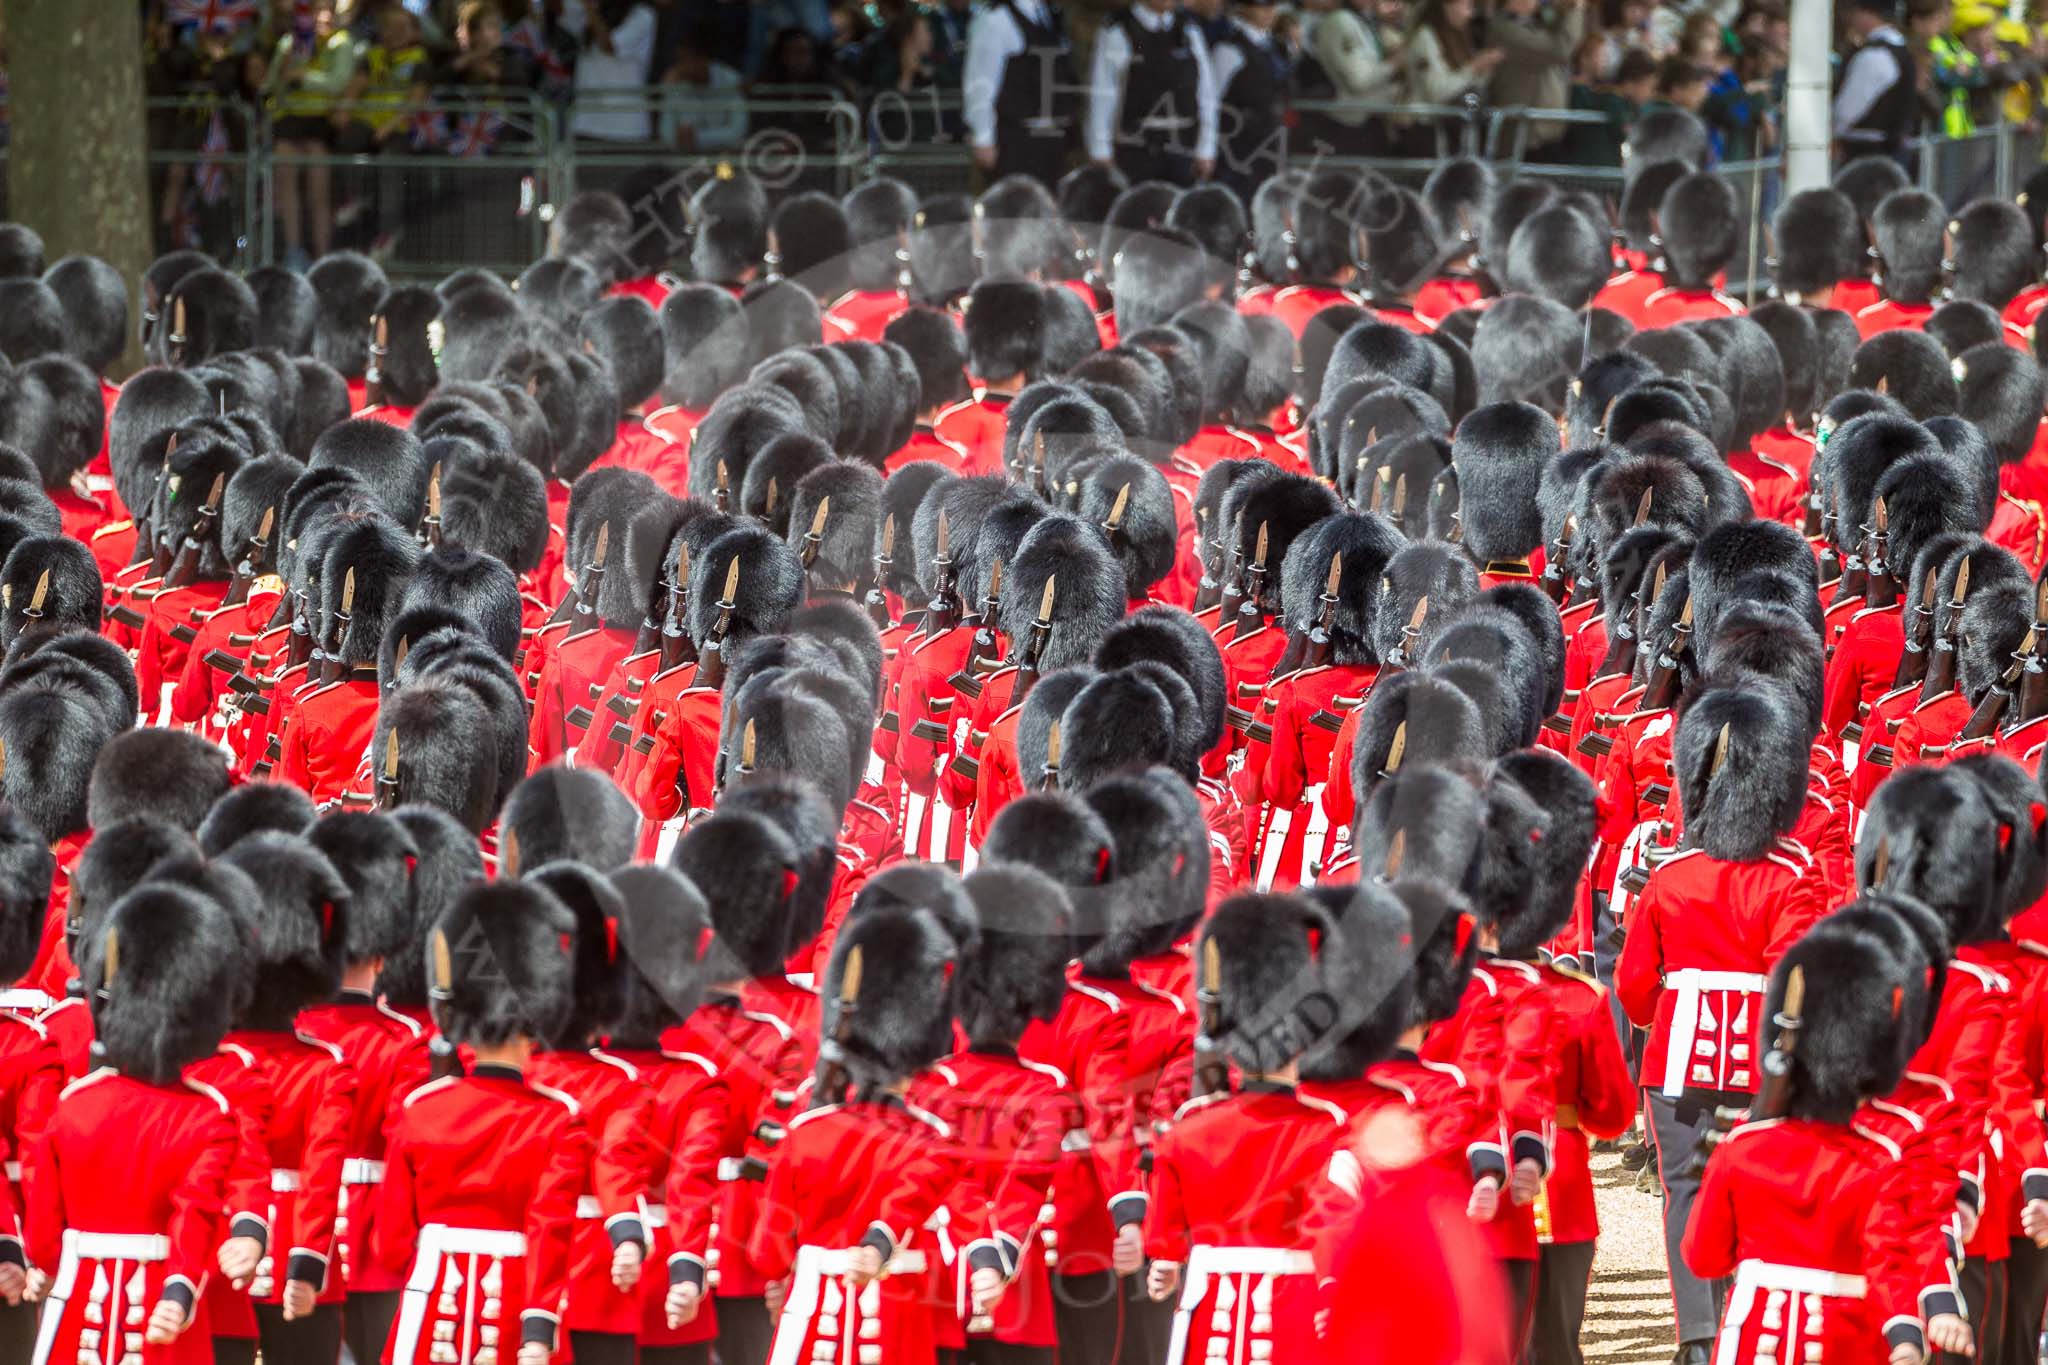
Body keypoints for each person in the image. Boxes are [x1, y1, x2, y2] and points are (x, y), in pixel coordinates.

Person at [1085, 0, 1221, 187]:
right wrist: (1100, 150)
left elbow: (1206, 93)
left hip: (1182, 147)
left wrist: (1206, 147)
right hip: (1136, 150)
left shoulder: (1190, 30)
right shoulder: (1117, 29)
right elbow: (1103, 94)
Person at [265, 1, 360, 270]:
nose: (322, 17)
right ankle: (294, 252)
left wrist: (303, 76)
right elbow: (271, 84)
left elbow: (338, 81)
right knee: (287, 184)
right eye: (316, 10)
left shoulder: (342, 43)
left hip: (321, 123)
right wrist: (284, 69)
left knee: (318, 192)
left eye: (327, 10)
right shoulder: (288, 43)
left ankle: (322, 258)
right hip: (290, 121)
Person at [962, 0, 1083, 188]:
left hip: (1052, 141)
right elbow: (980, 83)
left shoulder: (1049, 15)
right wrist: (983, 137)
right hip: (1015, 142)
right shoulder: (996, 19)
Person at [1834, 0, 1917, 162]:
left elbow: (1848, 109)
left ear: (1868, 14)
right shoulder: (1900, 49)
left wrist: (1832, 133)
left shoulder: (1876, 54)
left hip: (1866, 152)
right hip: (1889, 148)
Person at [570, 0, 660, 143]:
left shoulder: (643, 15)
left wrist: (589, 8)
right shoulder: (588, 10)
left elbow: (610, 46)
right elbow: (556, 14)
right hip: (586, 122)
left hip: (625, 127)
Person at [657, 22, 748, 153]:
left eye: (686, 59)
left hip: (723, 159)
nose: (681, 67)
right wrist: (678, 138)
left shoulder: (730, 80)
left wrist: (699, 137)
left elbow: (738, 131)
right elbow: (666, 133)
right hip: (684, 162)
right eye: (679, 60)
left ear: (703, 59)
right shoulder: (675, 83)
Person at [1402, 0, 1505, 106]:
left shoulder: (1457, 37)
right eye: (1467, 6)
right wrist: (1474, 67)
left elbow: (1467, 88)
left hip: (1455, 116)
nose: (1470, 14)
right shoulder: (1425, 37)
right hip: (1427, 118)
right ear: (1447, 6)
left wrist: (1483, 71)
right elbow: (1437, 92)